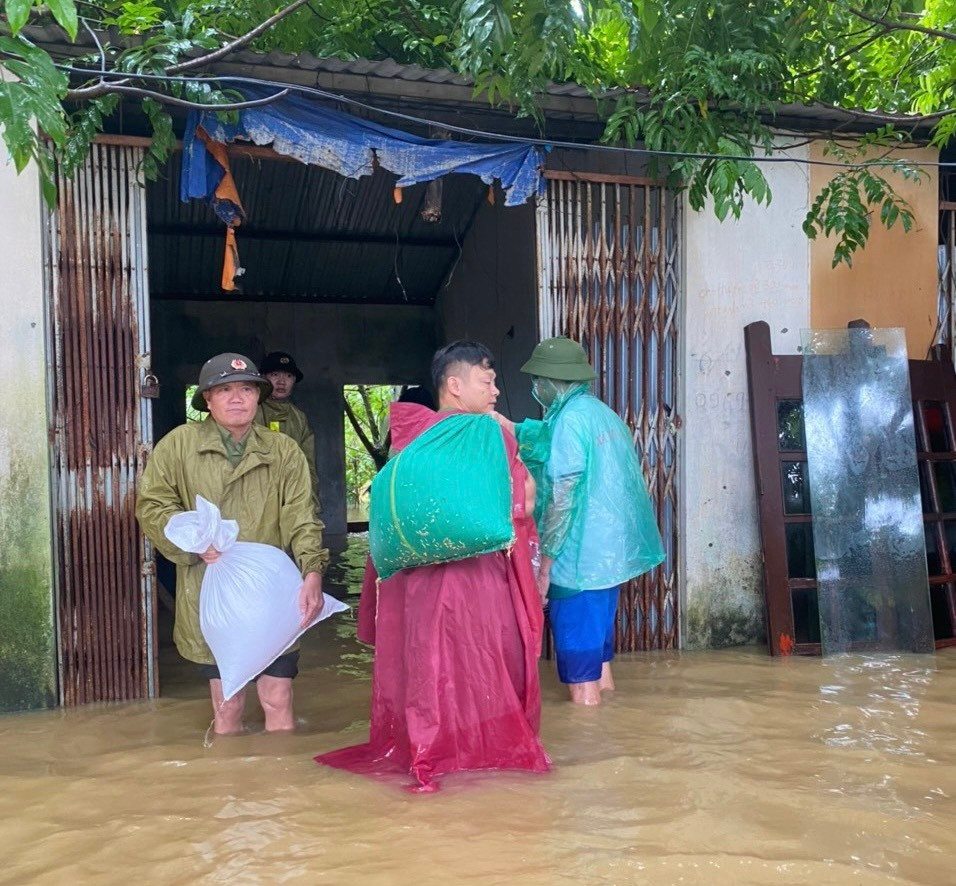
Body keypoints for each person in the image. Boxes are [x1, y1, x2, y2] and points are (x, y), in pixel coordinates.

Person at [316, 341, 549, 790]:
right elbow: (522, 501)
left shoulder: (410, 440)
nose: (497, 390)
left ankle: (423, 750)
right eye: (488, 380)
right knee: (485, 664)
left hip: (417, 589)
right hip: (477, 583)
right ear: (456, 385)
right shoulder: (485, 436)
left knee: (427, 667)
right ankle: (479, 755)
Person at [136, 353, 329, 734]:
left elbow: (301, 516)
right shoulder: (179, 445)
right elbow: (153, 506)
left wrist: (312, 571)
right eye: (224, 390)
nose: (236, 397)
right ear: (207, 399)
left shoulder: (283, 450)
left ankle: (283, 779)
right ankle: (229, 786)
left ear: (258, 396)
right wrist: (194, 543)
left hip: (271, 592)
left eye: (245, 389)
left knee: (278, 697)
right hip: (213, 593)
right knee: (228, 705)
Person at [498, 337, 665, 706]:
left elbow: (562, 494)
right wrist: (509, 426)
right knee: (599, 660)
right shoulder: (598, 413)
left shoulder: (570, 420)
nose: (534, 387)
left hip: (579, 563)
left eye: (537, 379)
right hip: (607, 564)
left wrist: (547, 565)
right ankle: (608, 726)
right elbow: (546, 440)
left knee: (579, 675)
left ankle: (591, 747)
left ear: (551, 381)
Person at [257, 351, 320, 513]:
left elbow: (308, 465)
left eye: (289, 376)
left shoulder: (299, 418)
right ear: (263, 378)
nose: (281, 381)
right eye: (274, 374)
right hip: (255, 500)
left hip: (290, 499)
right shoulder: (248, 411)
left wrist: (311, 504)